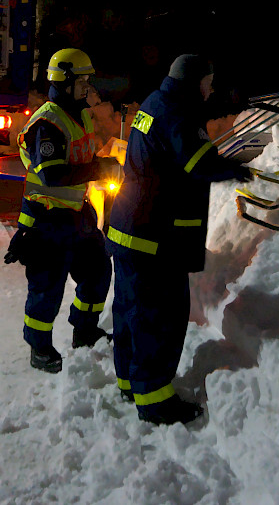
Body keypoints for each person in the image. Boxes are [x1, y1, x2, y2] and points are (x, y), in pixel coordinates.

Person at [105, 54, 253, 425]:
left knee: (129, 310)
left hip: (129, 228)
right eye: (209, 81)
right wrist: (235, 168)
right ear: (194, 82)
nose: (212, 89)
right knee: (160, 317)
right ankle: (154, 401)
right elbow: (198, 163)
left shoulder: (157, 102)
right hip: (154, 237)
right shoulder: (179, 114)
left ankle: (130, 381)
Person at [4, 48, 118, 373]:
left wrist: (100, 166)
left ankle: (85, 330)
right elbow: (52, 175)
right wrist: (100, 169)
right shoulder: (47, 125)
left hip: (77, 215)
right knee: (47, 289)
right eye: (82, 81)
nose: (88, 88)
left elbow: (83, 158)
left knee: (97, 273)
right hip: (47, 220)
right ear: (64, 81)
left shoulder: (79, 115)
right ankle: (39, 348)